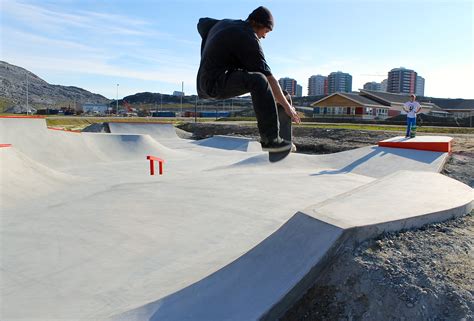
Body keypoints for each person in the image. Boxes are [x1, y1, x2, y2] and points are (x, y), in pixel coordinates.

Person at [196, 6, 300, 152]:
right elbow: (269, 79)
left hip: (205, 83)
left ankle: (280, 138)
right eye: (266, 31)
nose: (264, 36)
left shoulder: (225, 24)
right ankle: (271, 141)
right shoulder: (248, 37)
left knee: (272, 89)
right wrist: (288, 109)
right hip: (214, 84)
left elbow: (202, 23)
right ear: (258, 24)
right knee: (259, 80)